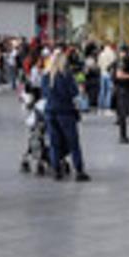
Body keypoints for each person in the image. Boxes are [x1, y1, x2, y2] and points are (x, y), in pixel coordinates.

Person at [42, 49, 90, 182]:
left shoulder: (46, 76)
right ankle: (79, 170)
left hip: (50, 111)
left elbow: (44, 93)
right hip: (65, 112)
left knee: (54, 142)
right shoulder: (66, 75)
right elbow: (74, 92)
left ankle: (56, 169)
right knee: (73, 142)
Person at [96, 42, 116, 113]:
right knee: (109, 91)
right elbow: (113, 63)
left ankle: (100, 107)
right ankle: (107, 108)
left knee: (102, 90)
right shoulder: (112, 53)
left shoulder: (101, 54)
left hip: (102, 73)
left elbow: (98, 64)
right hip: (109, 74)